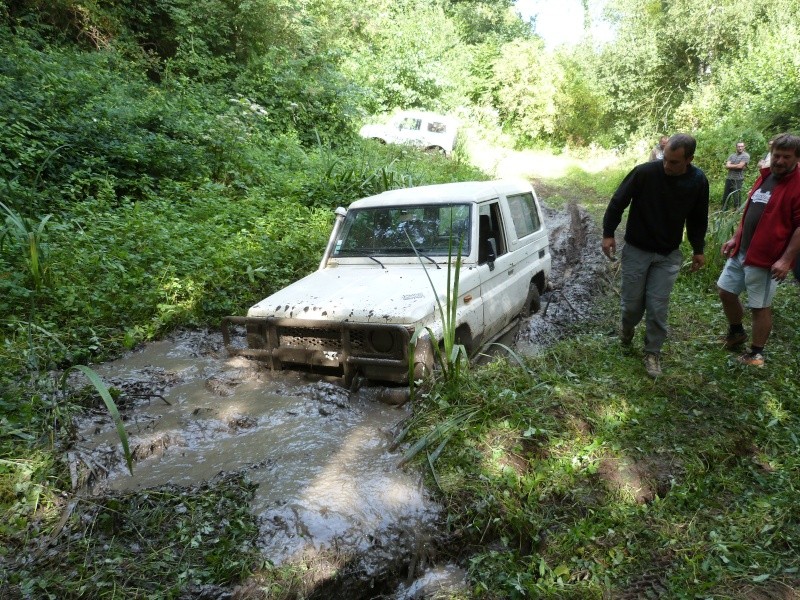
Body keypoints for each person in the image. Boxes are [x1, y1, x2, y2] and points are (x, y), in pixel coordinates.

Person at [602, 133, 710, 378]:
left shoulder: (697, 181)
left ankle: (652, 352)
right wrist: (608, 233)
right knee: (631, 305)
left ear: (689, 159)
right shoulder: (644, 173)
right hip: (637, 249)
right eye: (665, 160)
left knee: (657, 306)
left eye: (674, 162)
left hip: (668, 254)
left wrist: (698, 249)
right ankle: (626, 328)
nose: (667, 166)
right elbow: (618, 201)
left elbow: (698, 218)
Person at [717, 132, 800, 366]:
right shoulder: (765, 176)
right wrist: (735, 238)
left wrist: (785, 260)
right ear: (770, 154)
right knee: (725, 292)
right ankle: (736, 333)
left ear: (796, 158)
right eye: (777, 155)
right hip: (743, 250)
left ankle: (756, 354)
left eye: (786, 157)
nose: (780, 161)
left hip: (766, 257)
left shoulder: (797, 185)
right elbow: (750, 213)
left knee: (759, 306)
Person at [722, 141, 750, 208]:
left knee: (736, 195)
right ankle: (724, 209)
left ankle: (736, 211)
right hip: (729, 177)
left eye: (742, 146)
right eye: (739, 146)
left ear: (744, 147)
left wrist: (731, 165)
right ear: (736, 147)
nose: (740, 148)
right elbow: (727, 166)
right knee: (726, 195)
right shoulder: (732, 155)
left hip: (738, 178)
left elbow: (740, 166)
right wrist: (737, 165)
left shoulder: (746, 156)